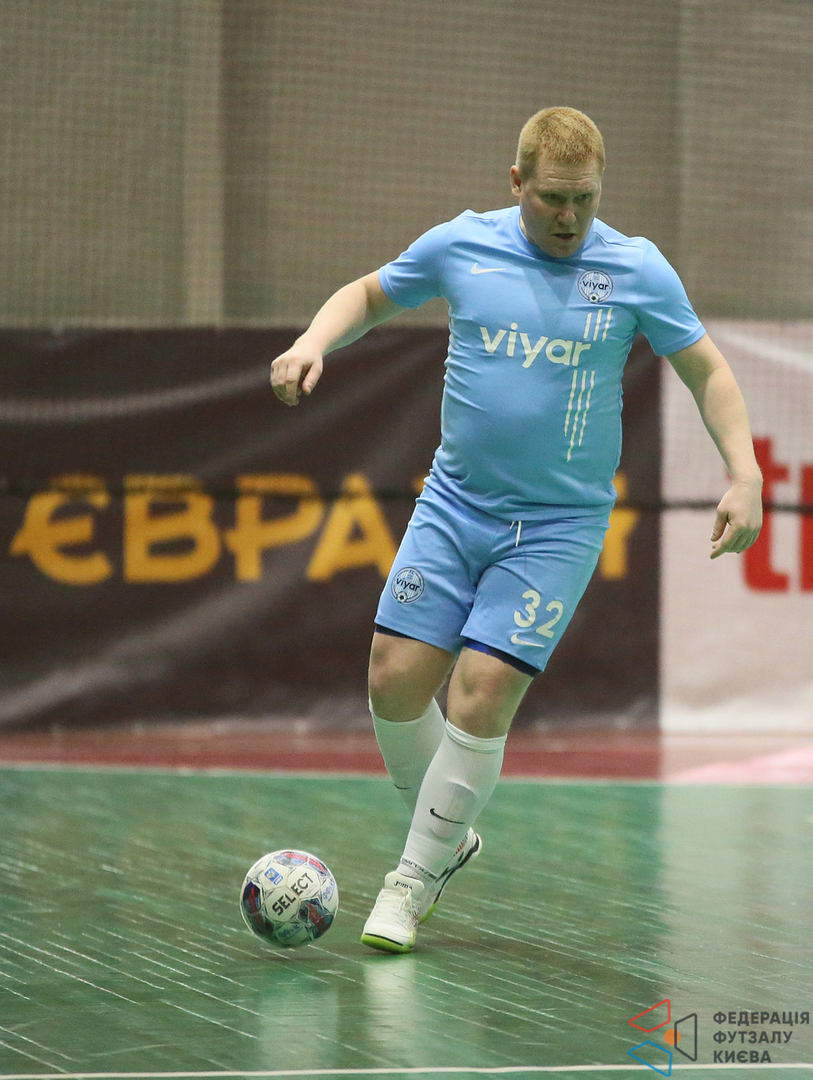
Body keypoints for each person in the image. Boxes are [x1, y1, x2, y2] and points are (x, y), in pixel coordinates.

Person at [270, 107, 763, 953]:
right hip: (454, 504)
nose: (568, 217)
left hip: (557, 525)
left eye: (584, 199)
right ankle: (448, 833)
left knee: (482, 690)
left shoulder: (634, 268)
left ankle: (411, 879)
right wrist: (315, 340)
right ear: (515, 182)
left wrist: (744, 473)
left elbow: (705, 368)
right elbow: (369, 293)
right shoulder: (462, 244)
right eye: (551, 198)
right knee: (391, 681)